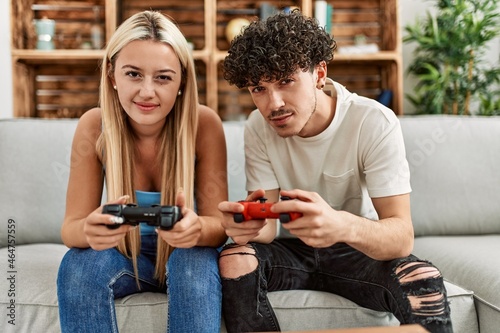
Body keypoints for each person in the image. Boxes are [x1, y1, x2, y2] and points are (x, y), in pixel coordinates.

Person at [217, 10, 453, 333]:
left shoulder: (373, 122)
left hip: (354, 247)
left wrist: (338, 224)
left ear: (318, 74)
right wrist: (246, 225)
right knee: (234, 257)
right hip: (292, 251)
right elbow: (267, 231)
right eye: (258, 88)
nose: (273, 104)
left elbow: (401, 236)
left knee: (422, 278)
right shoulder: (258, 128)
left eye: (286, 80)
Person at [56, 10, 228, 333]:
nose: (147, 92)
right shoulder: (94, 127)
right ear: (112, 75)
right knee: (77, 266)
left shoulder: (204, 125)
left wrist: (196, 229)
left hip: (183, 253)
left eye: (163, 77)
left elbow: (219, 227)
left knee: (193, 261)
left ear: (182, 82)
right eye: (133, 74)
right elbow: (71, 227)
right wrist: (90, 231)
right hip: (123, 253)